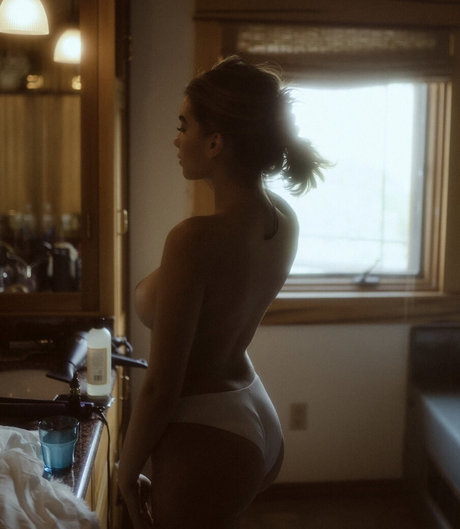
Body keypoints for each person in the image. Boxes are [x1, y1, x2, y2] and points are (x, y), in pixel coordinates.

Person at [118, 56, 327, 529]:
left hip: (206, 427)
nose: (176, 139)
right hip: (251, 407)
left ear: (215, 142)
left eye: (183, 126)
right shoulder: (283, 218)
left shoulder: (194, 240)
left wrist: (125, 471)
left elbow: (162, 385)